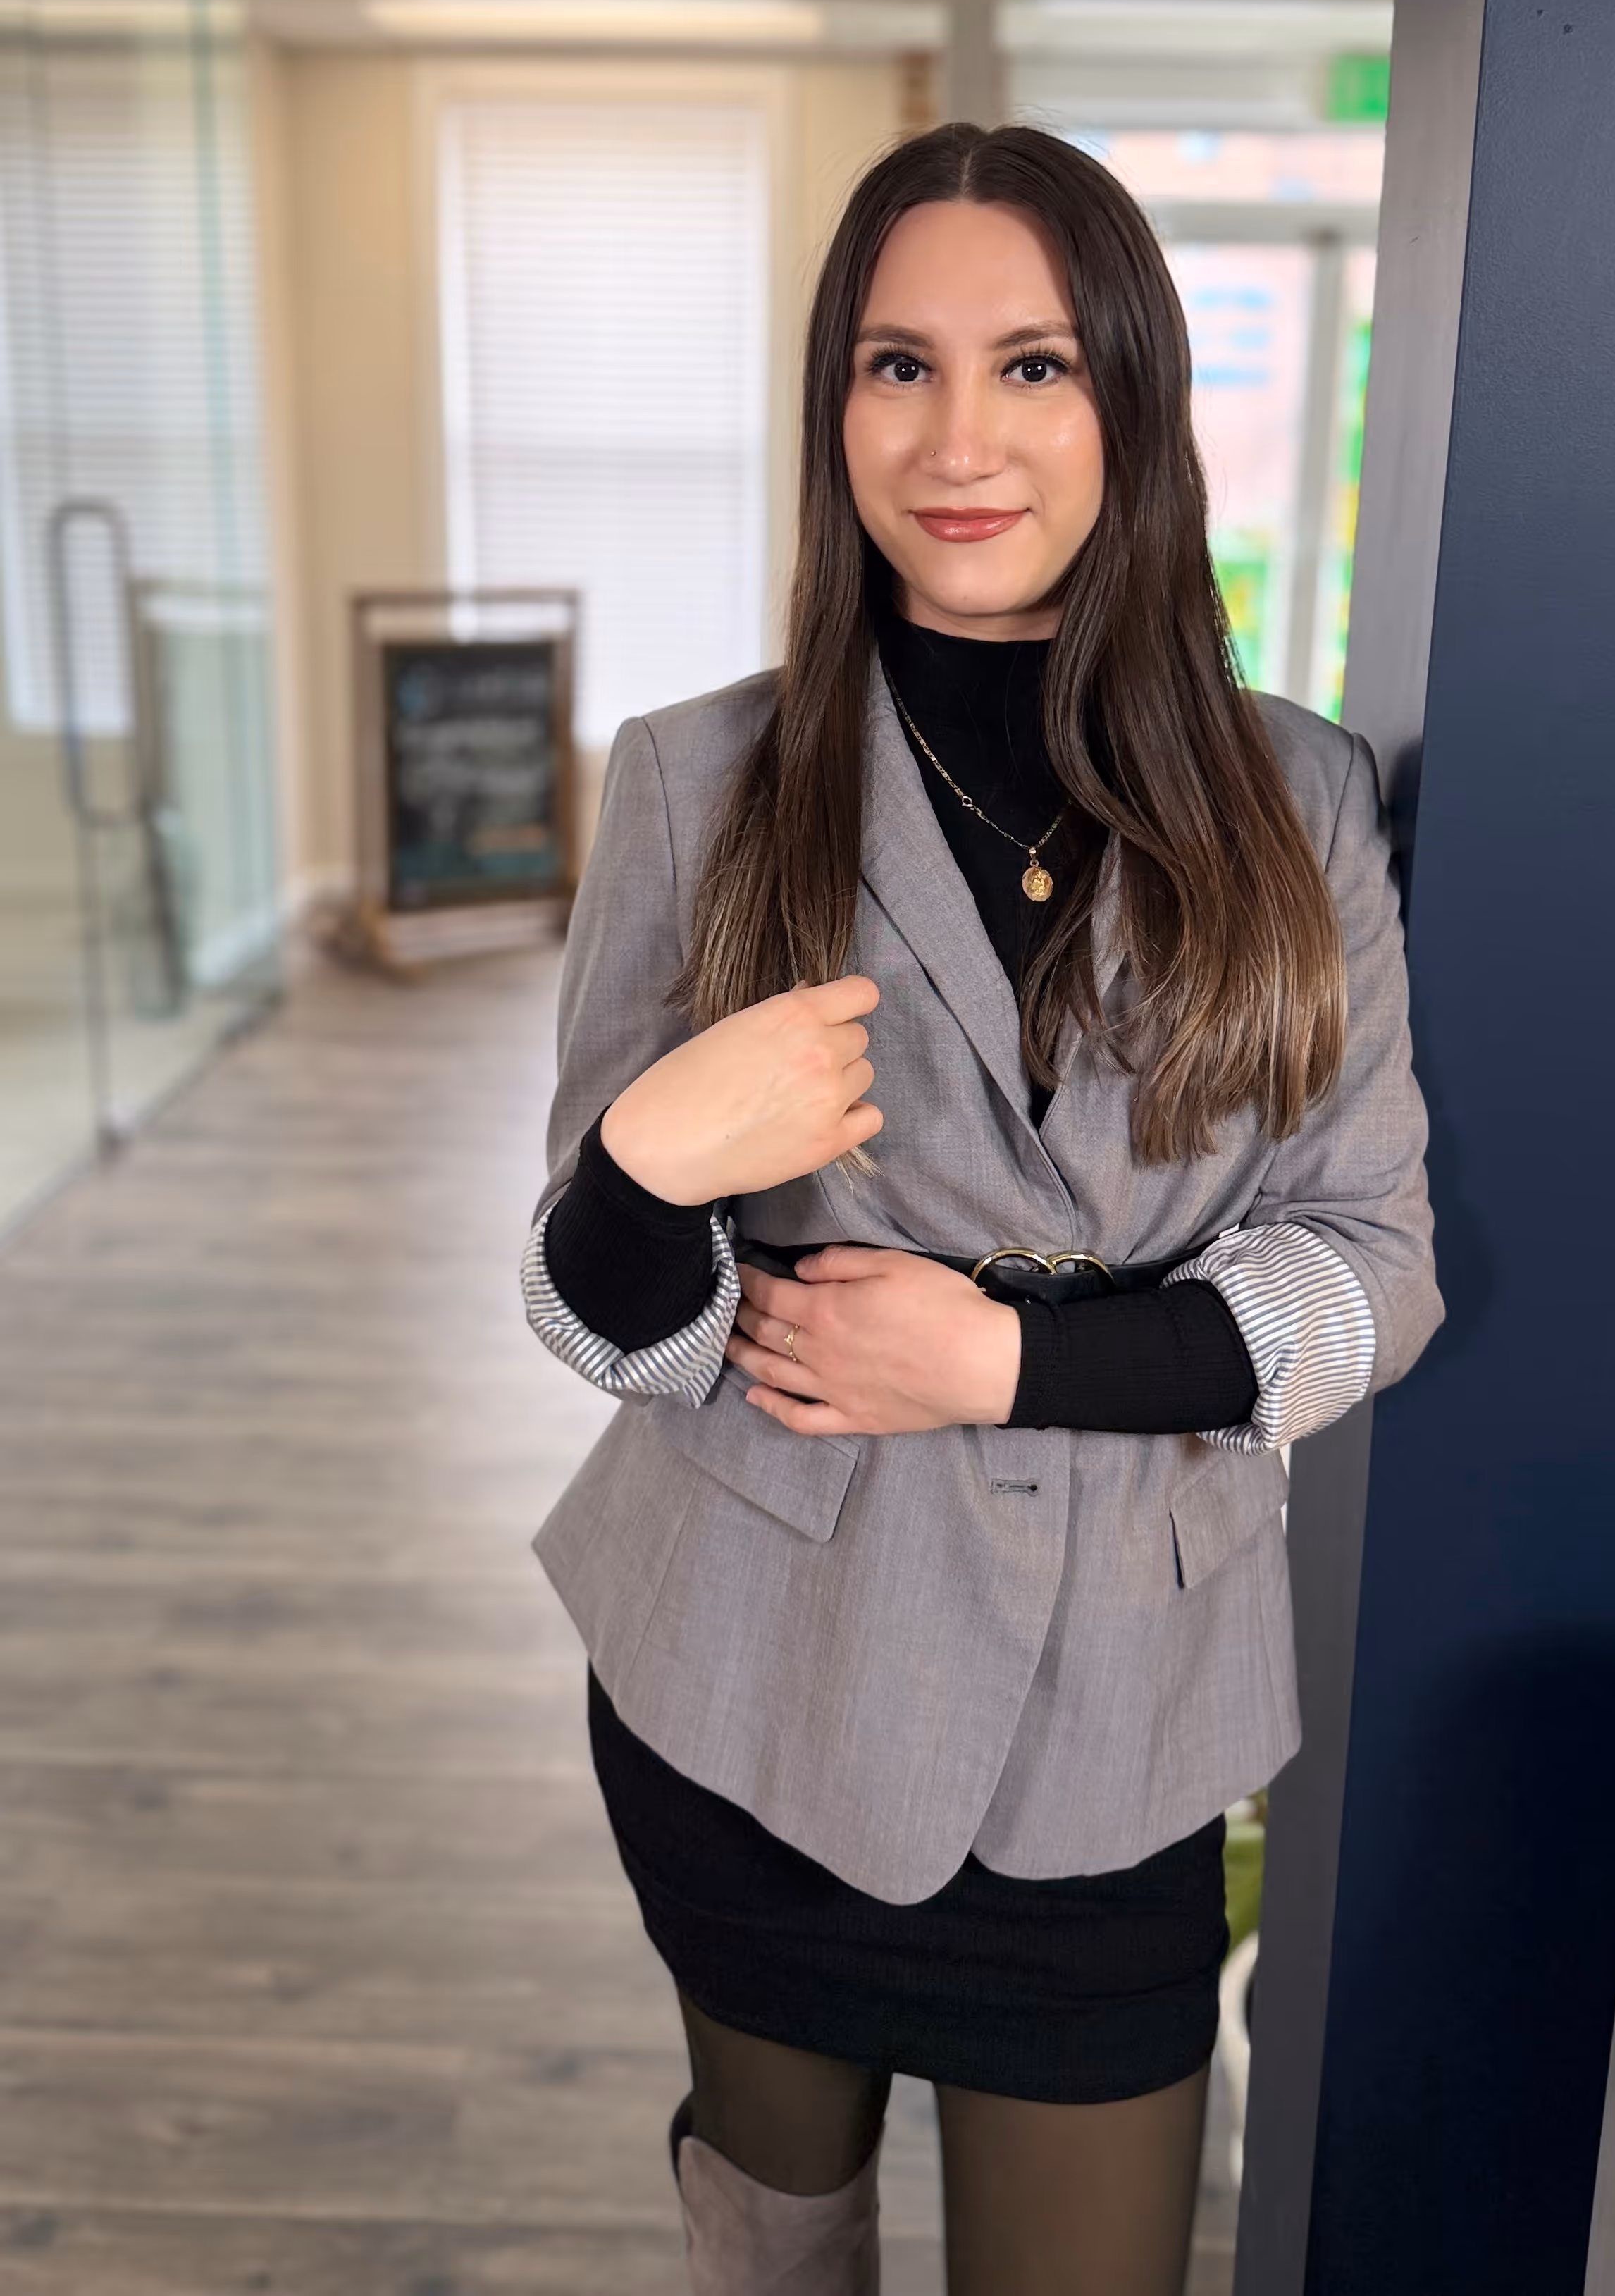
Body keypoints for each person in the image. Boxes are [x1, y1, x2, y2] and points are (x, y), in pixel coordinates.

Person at [521, 120, 1442, 2296]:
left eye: (1032, 365)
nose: (958, 440)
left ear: (1130, 397)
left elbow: (1378, 1269)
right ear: (832, 406)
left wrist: (1007, 1357)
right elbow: (594, 1316)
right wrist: (654, 1155)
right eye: (896, 365)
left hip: (1118, 1720)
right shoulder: (697, 778)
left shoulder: (1297, 795)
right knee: (779, 2242)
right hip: (754, 1681)